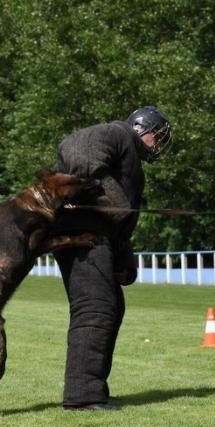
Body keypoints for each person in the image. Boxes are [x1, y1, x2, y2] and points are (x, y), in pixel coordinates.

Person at [53, 106, 172, 411]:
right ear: (140, 128)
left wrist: (124, 261)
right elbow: (78, 151)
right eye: (157, 136)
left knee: (112, 306)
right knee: (95, 308)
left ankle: (93, 388)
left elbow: (117, 221)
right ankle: (82, 396)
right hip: (82, 235)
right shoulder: (116, 132)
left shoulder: (128, 155)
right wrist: (117, 204)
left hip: (97, 237)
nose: (159, 145)